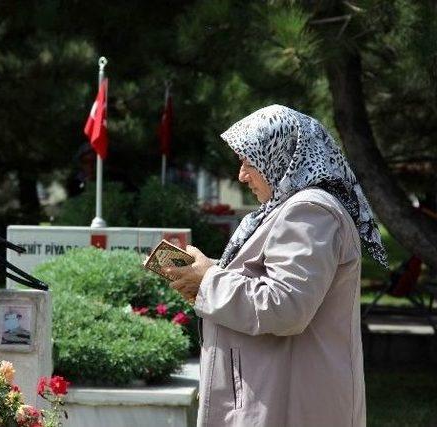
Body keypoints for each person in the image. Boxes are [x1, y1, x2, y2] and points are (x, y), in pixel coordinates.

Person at [165, 105, 388, 427]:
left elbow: (285, 306)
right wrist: (203, 273)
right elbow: (275, 280)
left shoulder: (310, 211)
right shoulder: (291, 208)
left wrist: (208, 280)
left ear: (280, 156)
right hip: (279, 391)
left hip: (290, 400)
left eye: (248, 161)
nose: (241, 175)